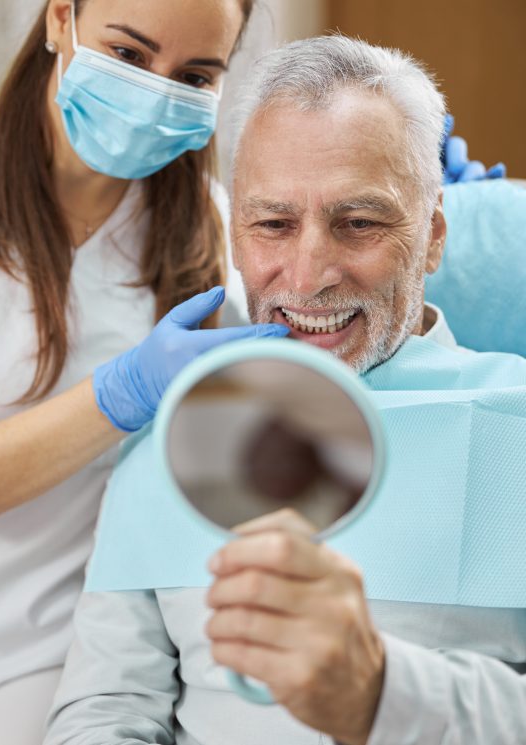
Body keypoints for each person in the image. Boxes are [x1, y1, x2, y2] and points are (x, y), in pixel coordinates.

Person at [44, 35, 526, 745]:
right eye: (273, 224)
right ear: (234, 234)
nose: (307, 277)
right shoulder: (170, 432)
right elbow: (105, 706)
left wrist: (383, 692)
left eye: (358, 223)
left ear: (432, 237)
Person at [0, 1, 299, 743]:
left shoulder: (211, 235)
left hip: (60, 635)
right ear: (61, 18)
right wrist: (123, 392)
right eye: (129, 55)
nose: (157, 92)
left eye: (194, 74)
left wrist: (423, 203)